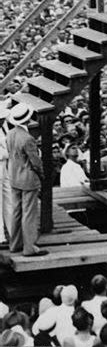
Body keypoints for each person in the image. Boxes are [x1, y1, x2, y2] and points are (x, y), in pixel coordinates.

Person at [7, 103, 48, 257]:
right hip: (28, 178)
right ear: (28, 118)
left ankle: (15, 244)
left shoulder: (10, 134)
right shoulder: (28, 138)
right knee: (29, 213)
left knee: (17, 211)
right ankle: (29, 247)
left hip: (14, 176)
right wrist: (42, 174)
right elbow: (35, 161)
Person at [0, 105, 12, 243]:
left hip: (5, 166)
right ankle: (0, 237)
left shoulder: (4, 127)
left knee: (9, 198)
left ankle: (12, 230)